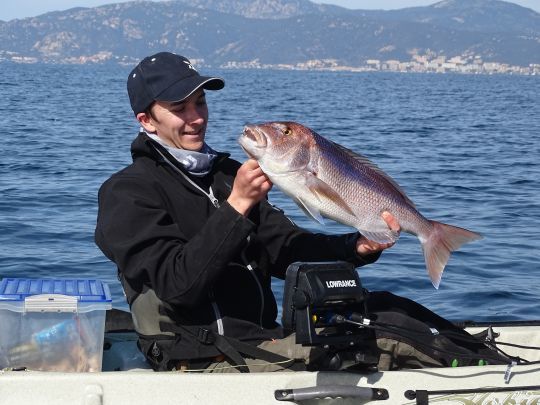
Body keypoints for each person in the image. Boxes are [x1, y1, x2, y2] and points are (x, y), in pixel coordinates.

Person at [95, 52, 508, 372]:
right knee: (383, 337)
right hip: (203, 359)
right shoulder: (127, 193)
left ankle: (489, 364)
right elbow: (178, 285)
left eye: (200, 103)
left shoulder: (226, 173)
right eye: (179, 108)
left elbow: (283, 248)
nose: (197, 117)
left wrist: (355, 247)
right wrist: (237, 206)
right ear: (147, 120)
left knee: (385, 309)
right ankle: (489, 382)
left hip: (266, 341)